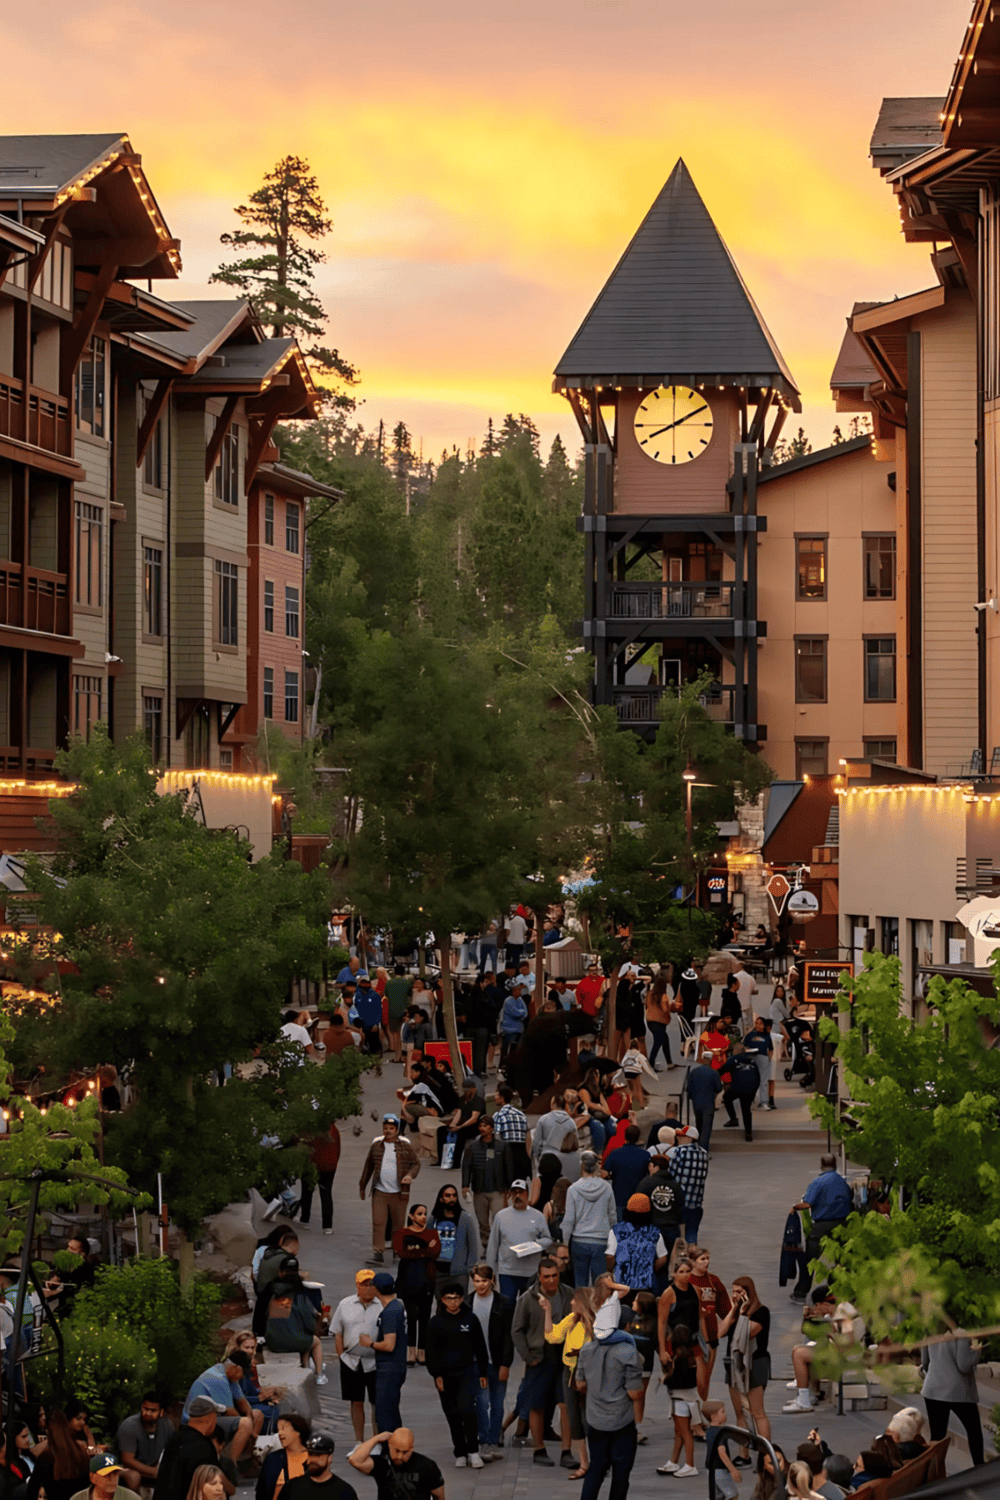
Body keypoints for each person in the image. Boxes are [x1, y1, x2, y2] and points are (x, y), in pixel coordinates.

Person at [574, 1315, 645, 1500]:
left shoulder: (587, 1349)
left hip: (595, 1419)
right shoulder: (629, 1352)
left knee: (596, 1469)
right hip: (621, 1421)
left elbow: (580, 1384)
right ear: (626, 1326)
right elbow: (634, 1394)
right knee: (621, 1475)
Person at [512, 1257, 572, 1469]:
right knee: (536, 1405)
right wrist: (527, 1356)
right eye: (546, 1276)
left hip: (563, 1354)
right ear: (539, 1277)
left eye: (554, 1275)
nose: (551, 1280)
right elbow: (517, 1329)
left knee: (565, 1404)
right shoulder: (528, 1299)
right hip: (539, 1354)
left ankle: (567, 1450)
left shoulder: (568, 1294)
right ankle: (539, 1449)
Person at [424, 1281, 489, 1469]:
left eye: (456, 1298)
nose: (453, 1302)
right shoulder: (436, 1323)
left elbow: (480, 1346)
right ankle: (460, 1451)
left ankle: (473, 1451)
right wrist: (436, 1375)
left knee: (467, 1410)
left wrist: (482, 1372)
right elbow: (431, 1351)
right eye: (449, 1298)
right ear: (443, 1300)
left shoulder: (470, 1319)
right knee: (452, 1414)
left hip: (467, 1371)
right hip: (445, 1374)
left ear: (461, 1299)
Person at [543, 1286, 597, 1479]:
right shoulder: (571, 1320)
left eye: (575, 1300)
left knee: (590, 1420)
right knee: (575, 1420)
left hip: (590, 1376)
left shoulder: (597, 1325)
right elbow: (553, 1336)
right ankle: (584, 1463)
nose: (572, 1302)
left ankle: (598, 1462)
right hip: (570, 1374)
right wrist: (547, 1311)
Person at [717, 1275, 771, 1464]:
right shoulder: (735, 1313)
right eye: (733, 1291)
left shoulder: (762, 1312)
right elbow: (721, 1332)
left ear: (749, 1293)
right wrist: (734, 1310)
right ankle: (744, 1453)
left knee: (757, 1412)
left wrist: (742, 1313)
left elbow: (743, 1336)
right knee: (739, 1412)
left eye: (740, 1292)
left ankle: (765, 1454)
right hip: (734, 1364)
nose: (736, 1295)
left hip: (755, 1364)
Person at [359, 1115, 420, 1266]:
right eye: (385, 1128)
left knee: (398, 1224)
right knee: (378, 1223)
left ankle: (397, 1252)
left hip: (399, 1193)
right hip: (380, 1191)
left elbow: (416, 1164)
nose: (388, 1131)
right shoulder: (377, 1146)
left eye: (391, 1129)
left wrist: (409, 1175)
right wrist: (362, 1185)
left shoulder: (405, 1146)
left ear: (397, 1130)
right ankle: (378, 1253)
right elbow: (368, 1166)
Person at [790, 1155, 852, 1301]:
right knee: (843, 1261)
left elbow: (807, 1204)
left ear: (822, 1165)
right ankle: (844, 1291)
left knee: (810, 1260)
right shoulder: (843, 1182)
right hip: (842, 1225)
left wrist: (794, 1207)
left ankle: (800, 1293)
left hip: (822, 1226)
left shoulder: (818, 1182)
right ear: (835, 1165)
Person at [468, 1264, 514, 1460]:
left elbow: (508, 1337)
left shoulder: (503, 1303)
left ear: (492, 1280)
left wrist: (506, 1363)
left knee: (497, 1404)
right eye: (477, 1281)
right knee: (482, 1402)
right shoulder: (467, 1303)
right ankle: (484, 1440)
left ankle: (493, 1440)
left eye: (484, 1281)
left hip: (496, 1361)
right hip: (477, 1363)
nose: (481, 1285)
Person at [921, 1328, 984, 1466]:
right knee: (974, 1432)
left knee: (937, 1438)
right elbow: (963, 1365)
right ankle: (980, 1471)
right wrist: (977, 1350)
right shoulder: (961, 1332)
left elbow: (924, 1361)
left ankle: (933, 1476)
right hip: (958, 1391)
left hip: (933, 1388)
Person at [331, 1270, 381, 1443]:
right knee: (356, 1402)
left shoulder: (382, 1305)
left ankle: (376, 1441)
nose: (368, 1288)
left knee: (377, 1403)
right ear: (357, 1285)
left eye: (371, 1284)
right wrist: (341, 1356)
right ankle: (359, 1441)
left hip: (375, 1361)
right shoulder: (345, 1304)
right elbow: (337, 1331)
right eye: (364, 1284)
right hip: (351, 1361)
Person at [184, 1355, 262, 1460]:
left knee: (257, 1415)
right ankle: (228, 1462)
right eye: (242, 1373)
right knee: (245, 1424)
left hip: (213, 1416)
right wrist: (250, 1430)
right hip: (195, 1421)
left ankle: (246, 1459)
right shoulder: (217, 1378)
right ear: (235, 1367)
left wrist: (249, 1416)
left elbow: (243, 1402)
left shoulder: (229, 1374)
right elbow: (230, 1412)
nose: (242, 1377)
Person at [153, 1399, 234, 1500]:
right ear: (211, 1418)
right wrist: (230, 1488)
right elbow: (215, 1480)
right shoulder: (204, 1446)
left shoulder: (175, 1437)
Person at [486, 1179, 553, 1300]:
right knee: (507, 1307)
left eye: (521, 1192)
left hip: (531, 1273)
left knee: (528, 1308)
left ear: (527, 1194)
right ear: (510, 1195)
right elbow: (493, 1245)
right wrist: (490, 1273)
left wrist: (535, 1245)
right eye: (514, 1192)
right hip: (507, 1272)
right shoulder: (501, 1216)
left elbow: (548, 1239)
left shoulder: (538, 1216)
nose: (517, 1196)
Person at [391, 1206, 440, 1366]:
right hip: (408, 1281)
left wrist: (418, 1250)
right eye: (419, 1214)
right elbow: (401, 1252)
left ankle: (422, 1352)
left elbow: (436, 1253)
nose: (423, 1217)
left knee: (425, 1317)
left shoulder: (432, 1233)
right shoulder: (402, 1234)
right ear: (411, 1216)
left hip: (427, 1280)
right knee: (411, 1317)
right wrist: (426, 1249)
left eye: (425, 1214)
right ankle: (410, 1352)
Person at [562, 1150, 618, 1288]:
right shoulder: (606, 1187)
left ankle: (581, 1309)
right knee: (600, 1284)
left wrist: (564, 1244)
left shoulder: (573, 1189)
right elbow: (612, 1215)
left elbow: (569, 1219)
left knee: (580, 1283)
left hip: (579, 1240)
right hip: (601, 1240)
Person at [360, 1273, 408, 1433]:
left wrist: (370, 1343)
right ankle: (398, 1444)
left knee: (384, 1414)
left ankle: (390, 1450)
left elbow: (389, 1345)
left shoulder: (390, 1312)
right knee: (391, 1411)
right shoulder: (398, 1305)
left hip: (389, 1368)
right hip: (396, 1366)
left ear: (376, 1289)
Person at [656, 1322, 701, 1478]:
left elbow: (675, 1381)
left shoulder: (680, 1360)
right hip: (689, 1397)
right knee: (680, 1432)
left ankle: (690, 1464)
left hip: (680, 1398)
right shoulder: (693, 1356)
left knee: (685, 1433)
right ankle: (674, 1461)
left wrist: (665, 1378)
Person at [348, 1429, 444, 1500]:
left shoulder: (427, 1466)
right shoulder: (383, 1463)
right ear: (390, 1445)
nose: (400, 1456)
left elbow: (439, 1496)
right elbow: (354, 1459)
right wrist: (376, 1439)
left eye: (405, 1452)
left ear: (412, 1448)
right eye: (396, 1450)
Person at [263, 1280, 325, 1382]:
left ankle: (306, 1369)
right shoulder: (299, 1301)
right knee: (315, 1342)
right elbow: (310, 1326)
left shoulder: (271, 1301)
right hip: (293, 1342)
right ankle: (319, 1375)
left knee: (304, 1340)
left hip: (273, 1344)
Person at [460, 1117, 507, 1249]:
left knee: (499, 1219)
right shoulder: (472, 1147)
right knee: (482, 1222)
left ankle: (499, 1245)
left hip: (498, 1190)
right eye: (480, 1126)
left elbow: (508, 1167)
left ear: (492, 1128)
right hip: (479, 1190)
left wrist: (508, 1187)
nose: (482, 1128)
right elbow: (466, 1167)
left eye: (486, 1126)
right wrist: (465, 1185)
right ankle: (486, 1246)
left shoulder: (502, 1146)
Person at [605, 1194, 667, 1290]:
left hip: (621, 1284)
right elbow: (663, 1258)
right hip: (646, 1284)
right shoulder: (655, 1233)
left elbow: (609, 1256)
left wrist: (610, 1271)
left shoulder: (616, 1231)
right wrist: (651, 1268)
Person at [428, 1185, 479, 1291]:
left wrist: (469, 1267)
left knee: (460, 1304)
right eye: (448, 1195)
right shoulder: (433, 1219)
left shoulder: (465, 1218)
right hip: (438, 1271)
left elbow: (473, 1245)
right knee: (440, 1304)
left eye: (454, 1195)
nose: (452, 1198)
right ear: (441, 1199)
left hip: (459, 1272)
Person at [280, 1435, 356, 1500]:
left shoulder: (345, 1492)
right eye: (310, 1454)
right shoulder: (291, 1488)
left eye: (318, 1455)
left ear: (330, 1458)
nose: (312, 1459)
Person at [668, 1127, 710, 1244]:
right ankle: (693, 1257)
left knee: (679, 1238)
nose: (678, 1138)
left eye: (681, 1136)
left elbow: (671, 1174)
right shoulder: (704, 1153)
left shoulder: (678, 1152)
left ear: (690, 1138)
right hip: (696, 1201)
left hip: (680, 1202)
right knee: (692, 1234)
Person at [299, 1122, 340, 1235]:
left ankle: (305, 1220)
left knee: (307, 1192)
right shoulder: (333, 1129)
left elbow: (300, 1145)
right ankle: (327, 1226)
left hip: (311, 1165)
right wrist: (334, 1163)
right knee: (326, 1194)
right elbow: (338, 1148)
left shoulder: (308, 1129)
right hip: (328, 1166)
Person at [255, 1415, 310, 1500]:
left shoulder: (313, 1458)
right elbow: (261, 1492)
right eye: (278, 1430)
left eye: (283, 1429)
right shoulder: (272, 1459)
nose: (279, 1433)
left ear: (298, 1431)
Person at [604, 1125, 650, 1212]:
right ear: (638, 1138)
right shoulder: (645, 1155)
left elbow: (605, 1172)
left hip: (619, 1197)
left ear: (625, 1136)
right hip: (638, 1199)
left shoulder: (615, 1154)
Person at [722, 1044, 760, 1142]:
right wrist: (754, 1091)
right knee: (746, 1109)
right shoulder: (751, 1060)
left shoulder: (733, 1059)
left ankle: (733, 1119)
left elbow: (722, 1070)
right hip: (752, 1087)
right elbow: (758, 1076)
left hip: (738, 1087)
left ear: (735, 1051)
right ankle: (748, 1133)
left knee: (727, 1097)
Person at [684, 1063, 723, 1152]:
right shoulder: (713, 1073)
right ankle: (702, 1151)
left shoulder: (694, 1072)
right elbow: (719, 1088)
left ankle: (698, 1145)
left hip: (696, 1103)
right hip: (708, 1103)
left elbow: (689, 1088)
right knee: (706, 1128)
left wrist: (692, 1096)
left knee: (699, 1125)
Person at [742, 1014, 774, 1111]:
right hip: (751, 1057)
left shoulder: (767, 1036)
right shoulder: (750, 1035)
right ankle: (751, 1101)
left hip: (762, 1057)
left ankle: (764, 1102)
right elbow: (744, 1046)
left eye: (760, 1023)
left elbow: (771, 1049)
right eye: (756, 1023)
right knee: (751, 1080)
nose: (758, 1025)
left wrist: (769, 1058)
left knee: (763, 1080)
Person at [384, 966, 413, 1063]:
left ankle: (397, 1056)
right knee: (403, 1034)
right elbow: (410, 997)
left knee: (395, 1034)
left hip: (392, 1010)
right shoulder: (407, 983)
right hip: (405, 1010)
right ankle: (402, 1055)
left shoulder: (389, 983)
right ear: (404, 972)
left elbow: (387, 996)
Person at [645, 977, 675, 1071]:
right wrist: (671, 1005)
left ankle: (669, 1063)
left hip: (650, 1021)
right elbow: (665, 1009)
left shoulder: (649, 994)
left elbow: (646, 1006)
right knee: (658, 1042)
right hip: (660, 1022)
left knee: (664, 1040)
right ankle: (651, 1064)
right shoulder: (663, 996)